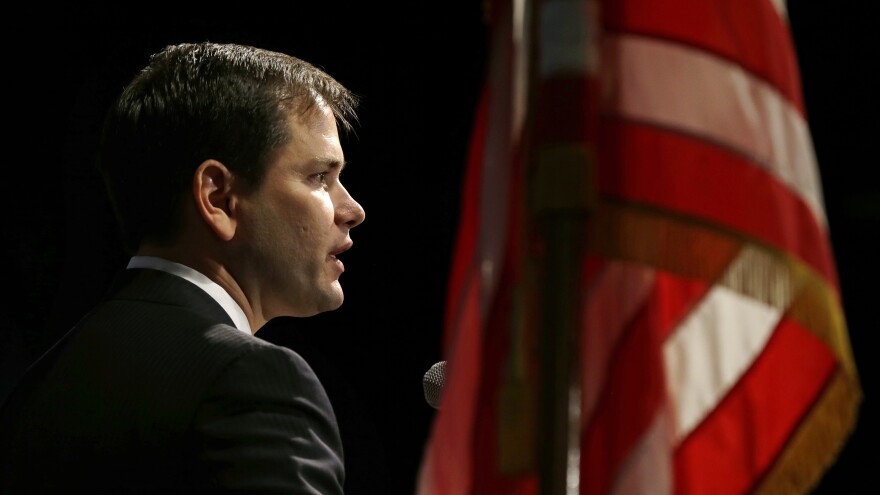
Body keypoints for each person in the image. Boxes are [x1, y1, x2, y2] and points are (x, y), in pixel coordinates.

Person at [0, 41, 365, 494]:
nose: (352, 209)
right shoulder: (250, 382)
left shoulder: (39, 387)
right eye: (320, 178)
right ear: (218, 199)